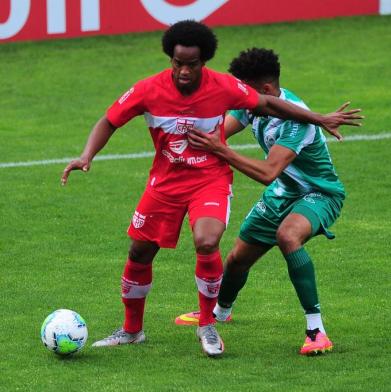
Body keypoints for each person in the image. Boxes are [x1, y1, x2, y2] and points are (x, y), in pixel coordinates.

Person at [61, 21, 362, 358]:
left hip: (281, 189)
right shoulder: (152, 89)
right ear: (170, 59)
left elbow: (264, 152)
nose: (184, 70)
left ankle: (301, 328)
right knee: (217, 258)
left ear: (204, 62)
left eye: (192, 64)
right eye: (178, 63)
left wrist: (317, 118)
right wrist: (87, 155)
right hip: (183, 185)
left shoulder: (261, 105)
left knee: (244, 239)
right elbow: (114, 120)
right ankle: (161, 324)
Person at [179, 48, 362, 355]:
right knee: (237, 258)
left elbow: (267, 172)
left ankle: (316, 330)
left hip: (319, 193)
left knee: (288, 236)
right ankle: (220, 312)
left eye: (244, 89)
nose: (239, 96)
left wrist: (220, 150)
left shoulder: (296, 122)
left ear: (264, 90)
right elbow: (220, 130)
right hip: (283, 192)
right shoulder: (252, 105)